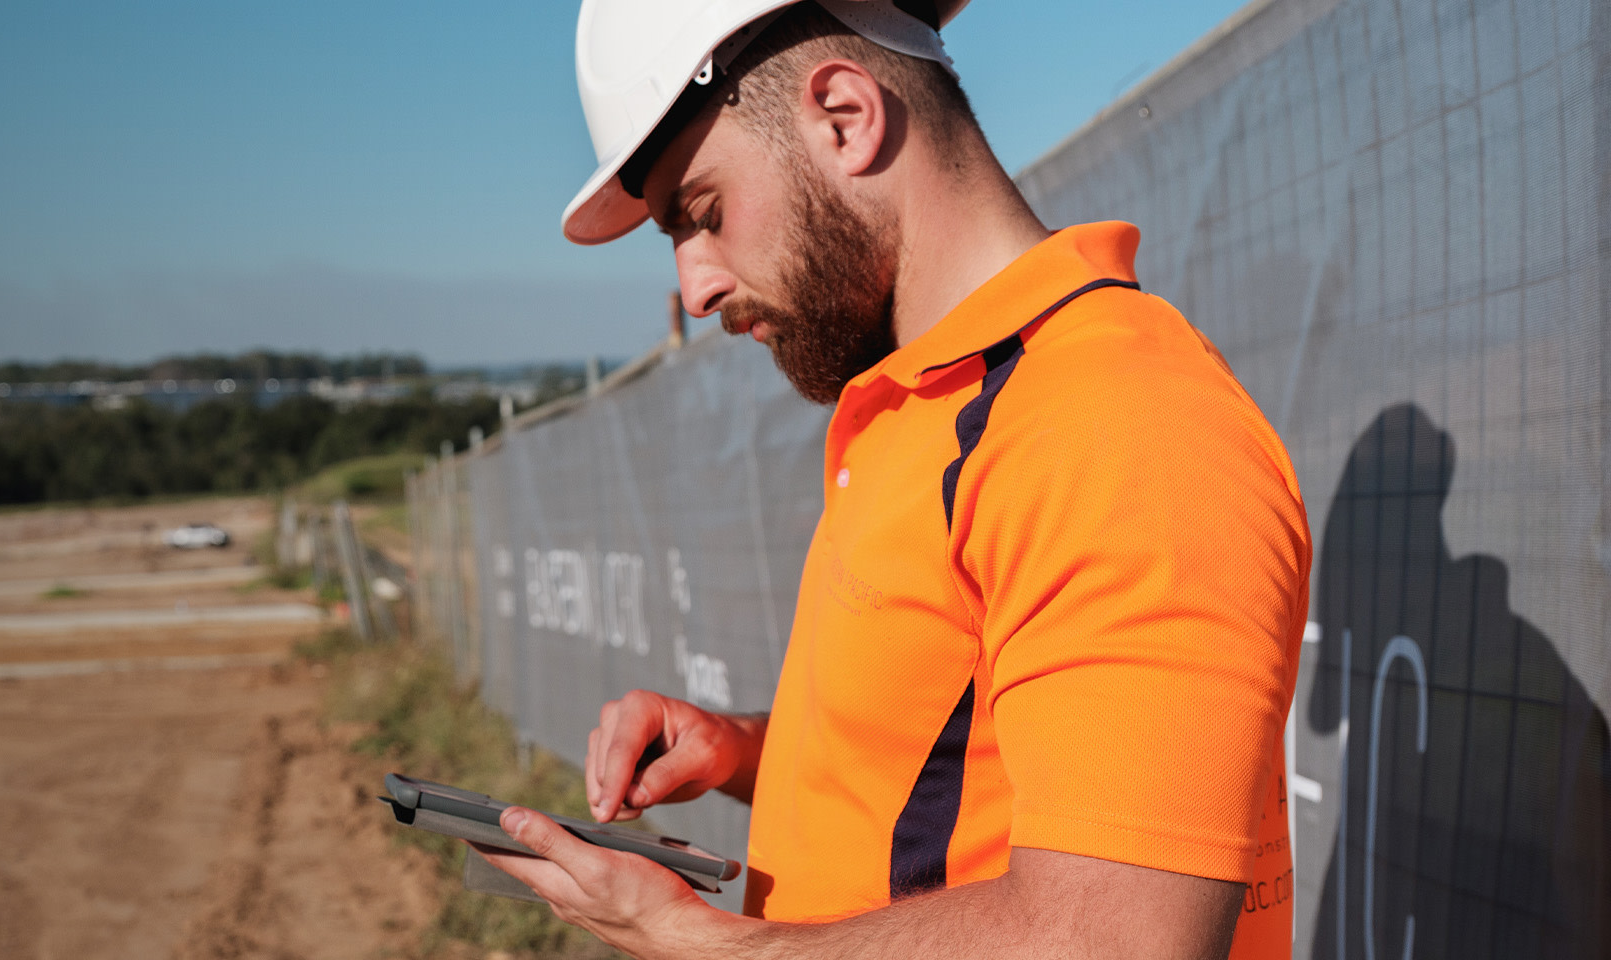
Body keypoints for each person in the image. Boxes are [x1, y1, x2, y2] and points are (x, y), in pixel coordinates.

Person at [474, 2, 1310, 958]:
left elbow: (1112, 939)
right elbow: (963, 756)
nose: (695, 286)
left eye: (702, 215)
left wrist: (691, 938)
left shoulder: (1114, 424)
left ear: (845, 117)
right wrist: (748, 751)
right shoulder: (925, 400)